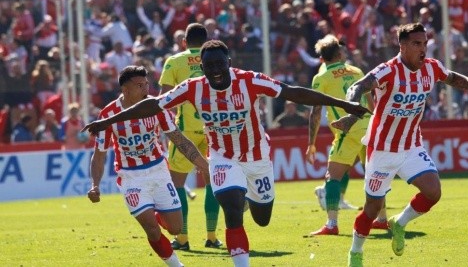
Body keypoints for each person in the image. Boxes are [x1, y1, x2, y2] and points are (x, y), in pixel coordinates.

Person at [82, 40, 370, 267]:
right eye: (209, 66)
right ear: (202, 68)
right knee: (232, 210)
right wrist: (107, 122)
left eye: (220, 64)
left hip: (257, 156)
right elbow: (154, 105)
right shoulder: (193, 88)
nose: (215, 70)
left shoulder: (250, 80)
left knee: (262, 217)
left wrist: (343, 104)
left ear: (229, 63)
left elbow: (295, 93)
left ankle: (249, 196)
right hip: (222, 157)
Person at [328, 23, 468, 267]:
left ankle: (399, 223)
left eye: (424, 43)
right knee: (372, 208)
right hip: (381, 149)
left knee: (433, 192)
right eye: (416, 44)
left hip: (411, 146)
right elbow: (358, 86)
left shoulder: (431, 67)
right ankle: (355, 252)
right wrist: (351, 112)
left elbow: (453, 78)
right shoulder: (388, 70)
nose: (423, 48)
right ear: (402, 46)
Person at [87, 66, 209, 267]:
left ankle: (154, 211)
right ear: (125, 90)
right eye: (139, 85)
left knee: (176, 229)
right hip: (131, 177)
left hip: (159, 172)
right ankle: (177, 265)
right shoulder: (108, 114)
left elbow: (179, 139)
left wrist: (204, 166)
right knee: (152, 230)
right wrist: (95, 184)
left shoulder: (156, 107)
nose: (146, 89)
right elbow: (99, 155)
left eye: (147, 84)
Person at [307, 34, 390, 237]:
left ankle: (332, 224)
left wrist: (311, 142)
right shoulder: (356, 71)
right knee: (374, 174)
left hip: (348, 129)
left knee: (332, 177)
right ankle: (382, 219)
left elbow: (315, 111)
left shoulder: (321, 78)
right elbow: (371, 103)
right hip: (369, 127)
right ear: (339, 53)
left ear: (323, 58)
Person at [158, 23, 222, 250]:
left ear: (183, 41)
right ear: (207, 41)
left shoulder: (174, 62)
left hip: (184, 131)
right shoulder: (217, 59)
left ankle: (183, 238)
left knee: (178, 184)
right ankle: (212, 237)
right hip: (214, 129)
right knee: (212, 182)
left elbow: (163, 99)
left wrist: (162, 130)